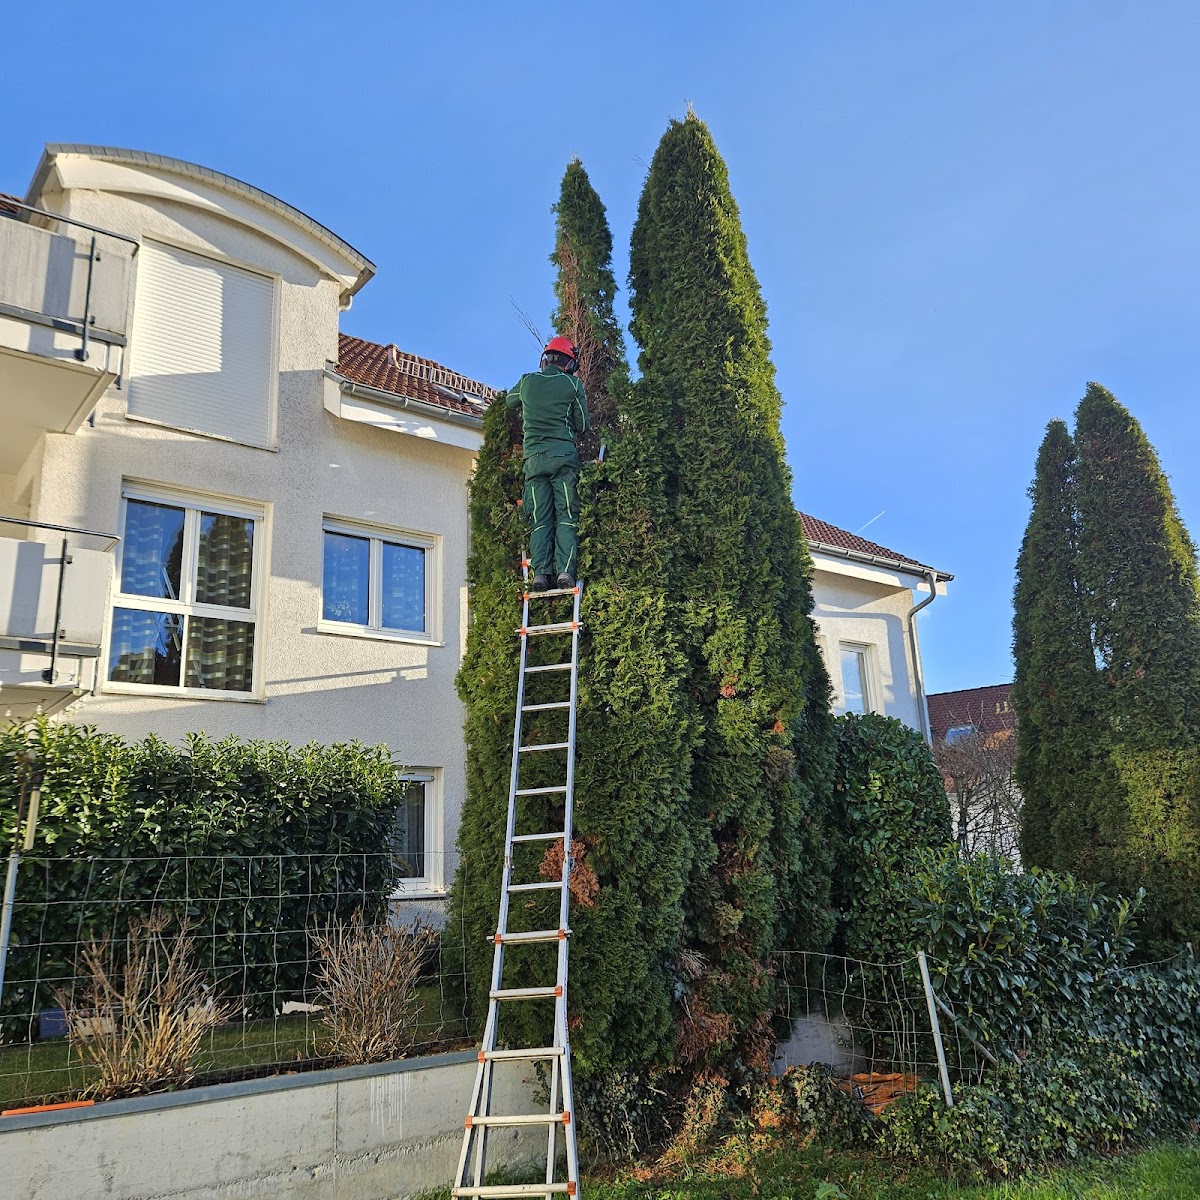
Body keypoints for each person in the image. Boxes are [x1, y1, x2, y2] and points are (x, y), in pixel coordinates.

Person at [507, 336, 590, 591]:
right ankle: (565, 572)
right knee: (566, 516)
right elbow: (582, 425)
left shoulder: (527, 381)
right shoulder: (572, 384)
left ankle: (540, 575)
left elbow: (510, 401)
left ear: (545, 360)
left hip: (533, 462)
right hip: (563, 460)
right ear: (570, 364)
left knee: (540, 519)